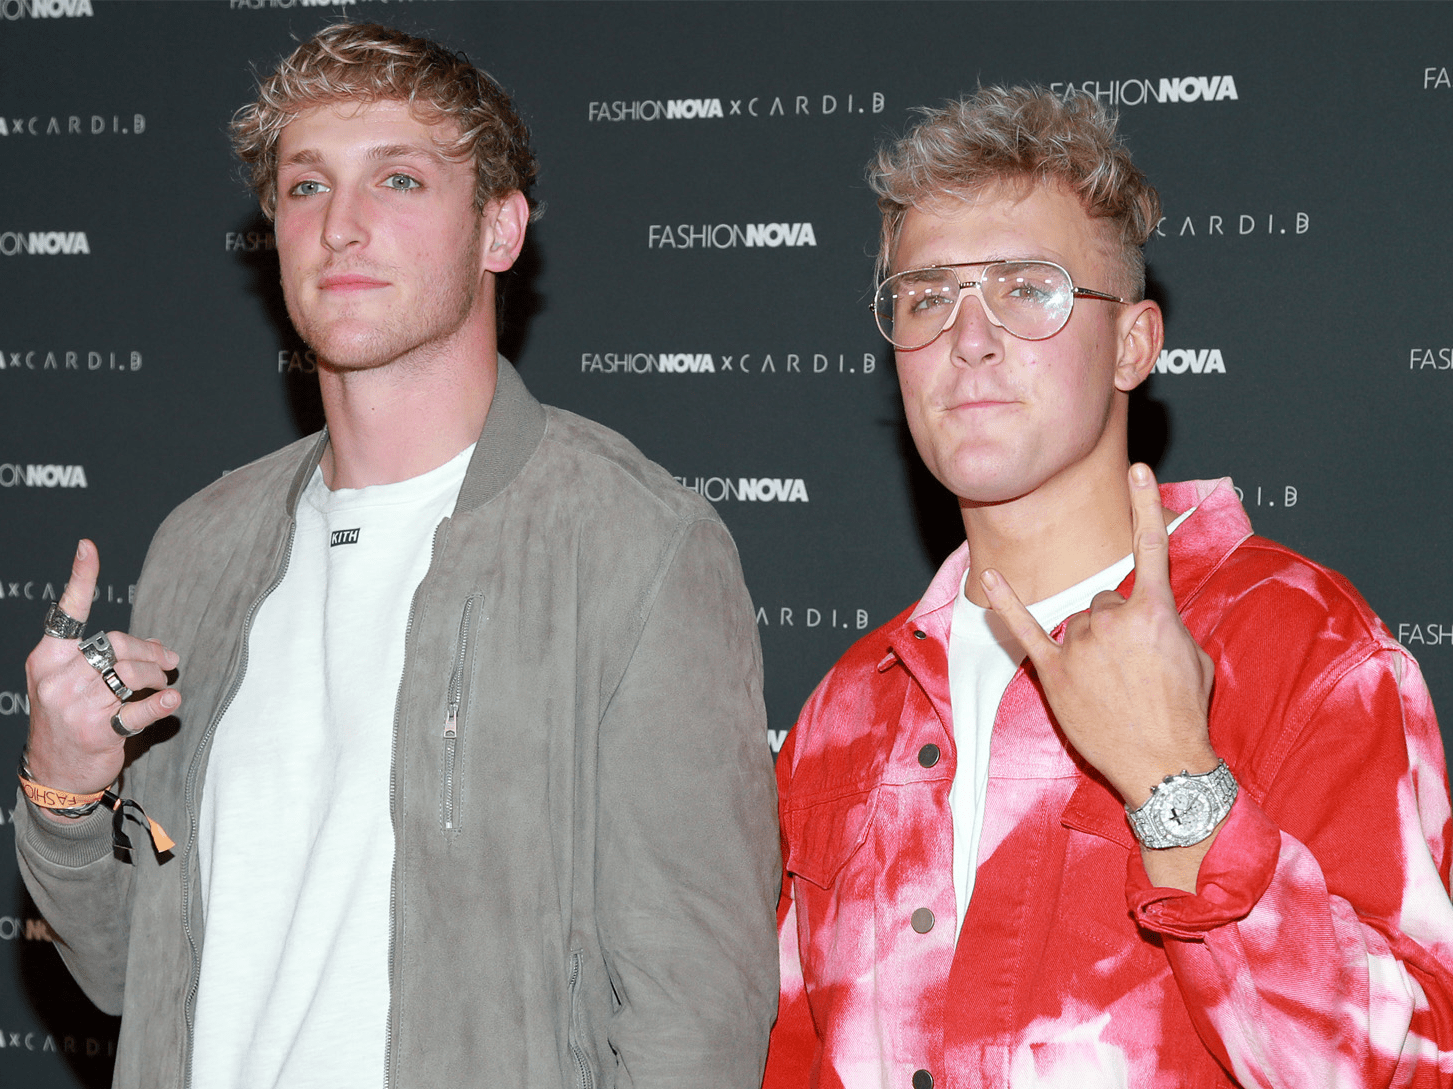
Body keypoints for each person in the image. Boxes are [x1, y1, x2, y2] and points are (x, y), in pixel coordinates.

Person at [16, 22, 779, 1089]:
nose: (341, 226)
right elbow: (130, 982)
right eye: (306, 187)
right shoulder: (203, 544)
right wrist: (63, 792)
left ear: (499, 229)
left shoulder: (634, 544)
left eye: (400, 180)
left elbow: (695, 1015)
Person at [764, 86, 1453, 1088]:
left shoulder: (1300, 646)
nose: (967, 337)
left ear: (1133, 344)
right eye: (926, 297)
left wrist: (1178, 785)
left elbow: (1419, 1064)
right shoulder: (848, 708)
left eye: (1027, 289)